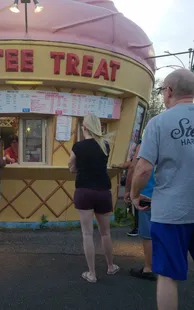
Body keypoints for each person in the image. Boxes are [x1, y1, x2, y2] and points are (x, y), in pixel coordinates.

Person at [131, 68, 194, 310]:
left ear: (169, 91)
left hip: (170, 213)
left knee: (167, 276)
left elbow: (143, 169)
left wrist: (135, 195)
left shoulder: (158, 123)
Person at [68, 114, 119, 283]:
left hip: (84, 191)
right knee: (105, 233)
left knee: (87, 234)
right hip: (103, 191)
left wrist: (79, 168)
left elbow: (71, 167)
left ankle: (92, 274)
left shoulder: (78, 147)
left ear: (84, 127)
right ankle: (111, 266)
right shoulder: (105, 145)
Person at [125, 138, 157, 281]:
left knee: (147, 234)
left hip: (146, 195)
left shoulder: (145, 144)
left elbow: (135, 168)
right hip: (167, 196)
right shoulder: (171, 141)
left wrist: (129, 191)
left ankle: (148, 268)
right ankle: (166, 266)